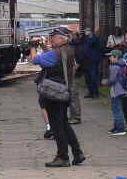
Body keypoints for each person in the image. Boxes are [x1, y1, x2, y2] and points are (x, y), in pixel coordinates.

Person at [32, 26, 85, 167]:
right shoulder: (68, 50)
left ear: (62, 38)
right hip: (64, 91)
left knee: (57, 126)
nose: (51, 39)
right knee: (65, 124)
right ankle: (77, 152)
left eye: (53, 37)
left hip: (53, 93)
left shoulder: (56, 53)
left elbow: (35, 60)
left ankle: (63, 157)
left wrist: (32, 48)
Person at [106, 48, 127, 136]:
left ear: (116, 57)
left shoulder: (115, 67)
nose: (109, 58)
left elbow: (112, 79)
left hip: (116, 91)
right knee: (117, 109)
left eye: (111, 56)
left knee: (117, 110)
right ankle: (116, 127)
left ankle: (120, 129)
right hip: (120, 90)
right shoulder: (121, 65)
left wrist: (106, 82)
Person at [81, 28, 102, 97]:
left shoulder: (94, 38)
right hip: (87, 60)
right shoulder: (86, 38)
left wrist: (91, 36)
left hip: (93, 60)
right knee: (87, 77)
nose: (85, 32)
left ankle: (95, 92)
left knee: (93, 76)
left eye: (87, 31)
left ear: (90, 32)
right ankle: (90, 92)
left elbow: (91, 43)